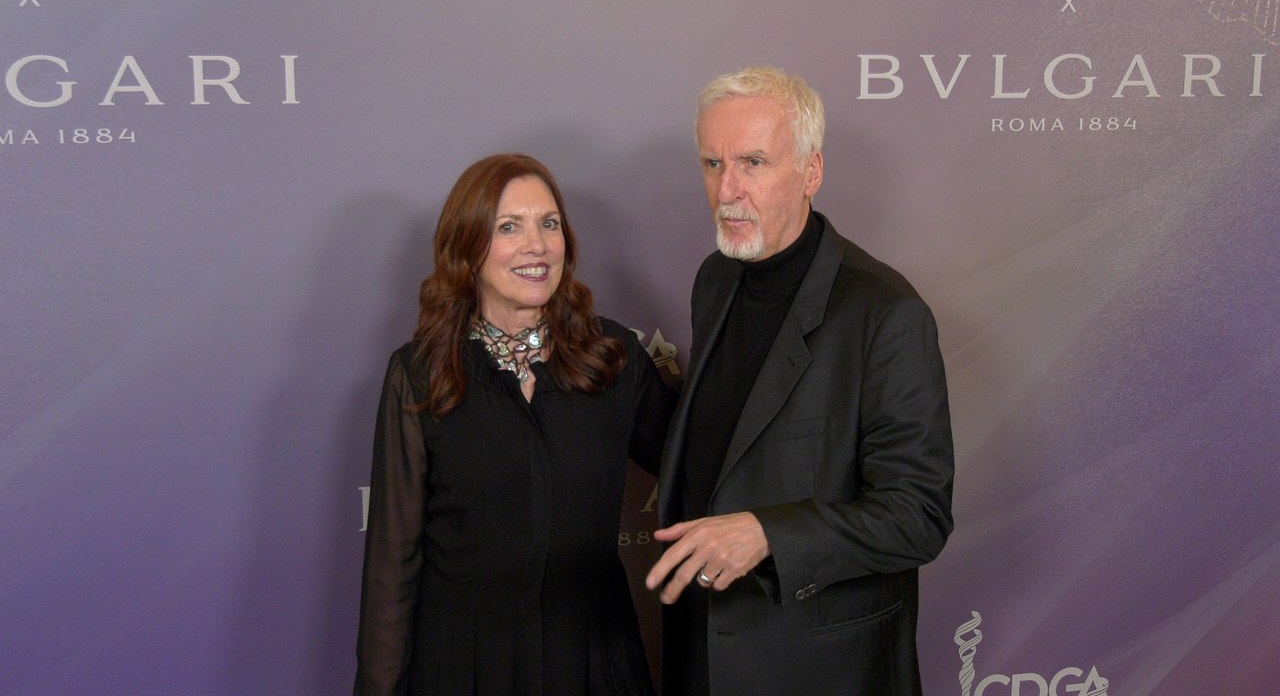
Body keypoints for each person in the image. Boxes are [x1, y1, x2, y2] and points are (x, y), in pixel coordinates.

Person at [645, 67, 954, 695]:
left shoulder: (887, 315)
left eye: (753, 162)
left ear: (811, 172)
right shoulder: (716, 278)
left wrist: (766, 534)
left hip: (819, 669)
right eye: (712, 163)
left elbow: (918, 514)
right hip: (702, 649)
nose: (727, 190)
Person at [356, 153, 674, 696]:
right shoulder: (421, 375)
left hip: (595, 662)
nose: (537, 245)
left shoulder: (614, 357)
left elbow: (703, 463)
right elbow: (392, 566)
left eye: (549, 224)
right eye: (509, 227)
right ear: (468, 247)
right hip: (464, 667)